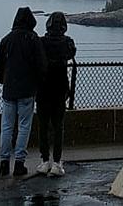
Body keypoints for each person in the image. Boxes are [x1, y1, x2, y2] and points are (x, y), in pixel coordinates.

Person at [0, 6, 46, 177]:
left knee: (7, 126)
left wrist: (4, 80)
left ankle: (3, 164)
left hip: (9, 90)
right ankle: (19, 163)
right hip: (27, 90)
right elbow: (41, 66)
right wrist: (38, 84)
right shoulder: (33, 39)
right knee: (24, 126)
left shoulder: (6, 40)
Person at [35, 11, 77, 176]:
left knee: (43, 126)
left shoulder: (41, 42)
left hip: (43, 88)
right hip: (60, 88)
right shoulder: (67, 42)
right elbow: (72, 53)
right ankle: (57, 163)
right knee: (58, 126)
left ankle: (45, 160)